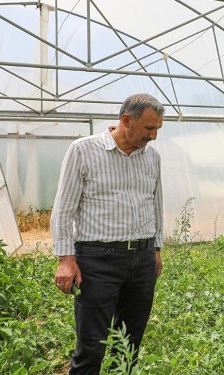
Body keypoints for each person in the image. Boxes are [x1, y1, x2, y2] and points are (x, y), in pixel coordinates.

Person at [51, 93, 165, 374]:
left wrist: (157, 250)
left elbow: (156, 203)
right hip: (97, 260)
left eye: (157, 129)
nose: (154, 136)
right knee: (92, 343)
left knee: (129, 341)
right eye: (149, 128)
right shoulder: (84, 150)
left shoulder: (152, 156)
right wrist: (66, 260)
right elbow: (63, 208)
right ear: (126, 120)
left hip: (142, 257)